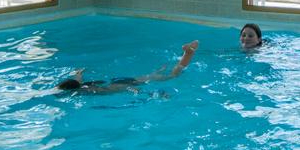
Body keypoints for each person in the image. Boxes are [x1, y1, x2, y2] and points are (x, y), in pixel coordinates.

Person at [57, 41, 199, 94]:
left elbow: (124, 89)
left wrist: (150, 94)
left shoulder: (83, 90)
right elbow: (77, 78)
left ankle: (187, 54)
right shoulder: (79, 84)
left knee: (172, 77)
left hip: (122, 85)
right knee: (151, 76)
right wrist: (78, 72)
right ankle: (184, 55)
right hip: (119, 80)